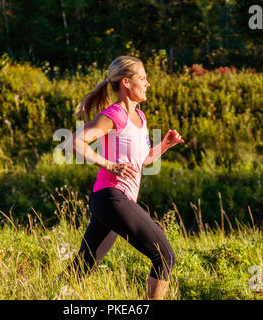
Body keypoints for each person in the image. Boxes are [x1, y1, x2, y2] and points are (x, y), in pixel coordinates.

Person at [62, 55, 184, 300]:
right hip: (111, 197)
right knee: (164, 256)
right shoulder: (114, 114)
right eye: (143, 78)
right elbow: (74, 142)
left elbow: (142, 160)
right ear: (127, 82)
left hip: (112, 200)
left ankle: (45, 295)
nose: (148, 83)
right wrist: (109, 164)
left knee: (83, 266)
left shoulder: (140, 117)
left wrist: (165, 146)